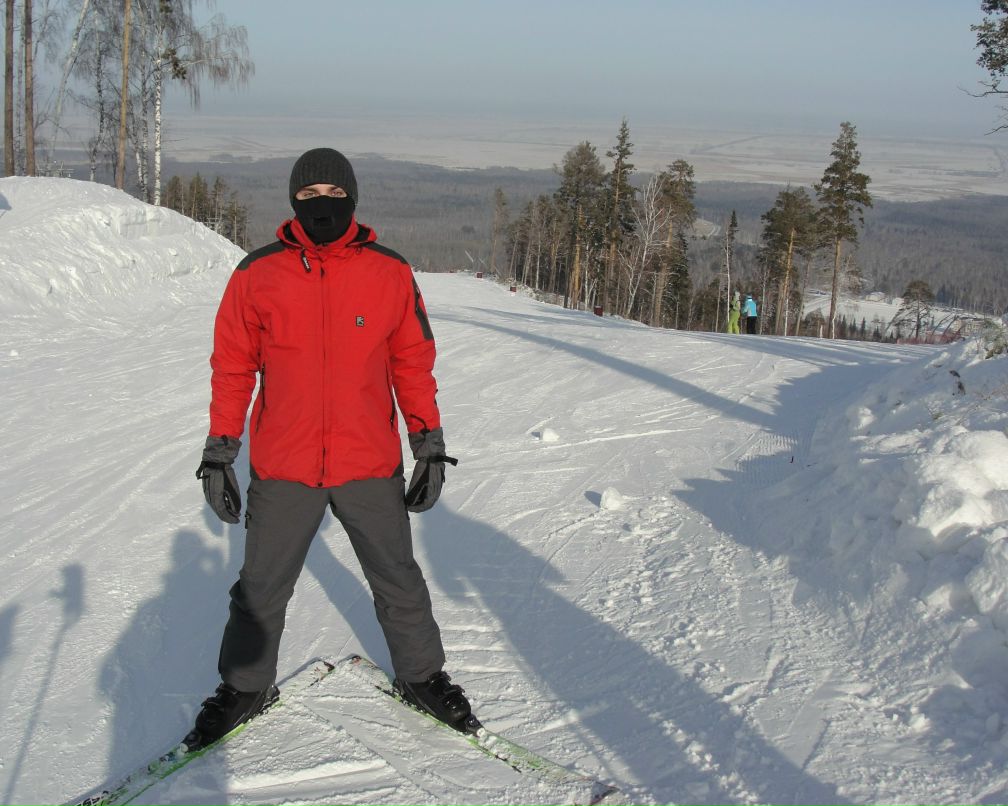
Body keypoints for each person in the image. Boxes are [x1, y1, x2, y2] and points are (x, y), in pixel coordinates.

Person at [187, 147, 472, 749]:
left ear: (352, 198)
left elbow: (413, 363)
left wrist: (428, 442)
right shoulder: (256, 274)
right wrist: (219, 450)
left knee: (397, 577)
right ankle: (243, 687)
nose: (321, 204)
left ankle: (422, 678)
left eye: (332, 193)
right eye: (309, 194)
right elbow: (232, 367)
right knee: (260, 586)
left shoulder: (388, 272)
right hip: (284, 463)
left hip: (366, 460)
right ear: (293, 201)